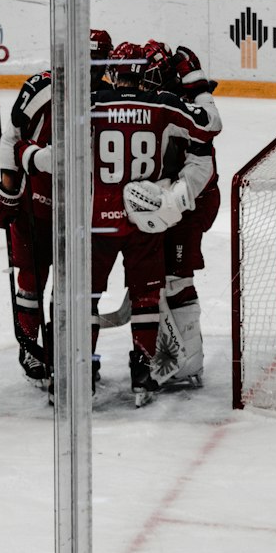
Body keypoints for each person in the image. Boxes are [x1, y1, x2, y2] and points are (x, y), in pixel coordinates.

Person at [77, 40, 214, 403]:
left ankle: (82, 373)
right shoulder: (162, 104)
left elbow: (62, 150)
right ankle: (142, 374)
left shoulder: (92, 102)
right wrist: (196, 86)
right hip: (144, 221)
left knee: (86, 297)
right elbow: (209, 125)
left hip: (98, 220)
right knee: (145, 298)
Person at [0, 30, 114, 392]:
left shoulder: (107, 98)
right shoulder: (41, 87)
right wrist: (9, 190)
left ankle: (74, 359)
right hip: (36, 207)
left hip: (84, 212)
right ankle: (31, 349)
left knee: (78, 289)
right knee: (30, 280)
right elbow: (12, 137)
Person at [141, 40, 221, 387]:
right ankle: (172, 353)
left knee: (176, 278)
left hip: (191, 203)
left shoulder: (182, 107)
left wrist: (171, 200)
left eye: (150, 76)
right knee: (158, 278)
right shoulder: (163, 102)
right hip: (173, 200)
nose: (144, 83)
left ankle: (187, 363)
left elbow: (200, 162)